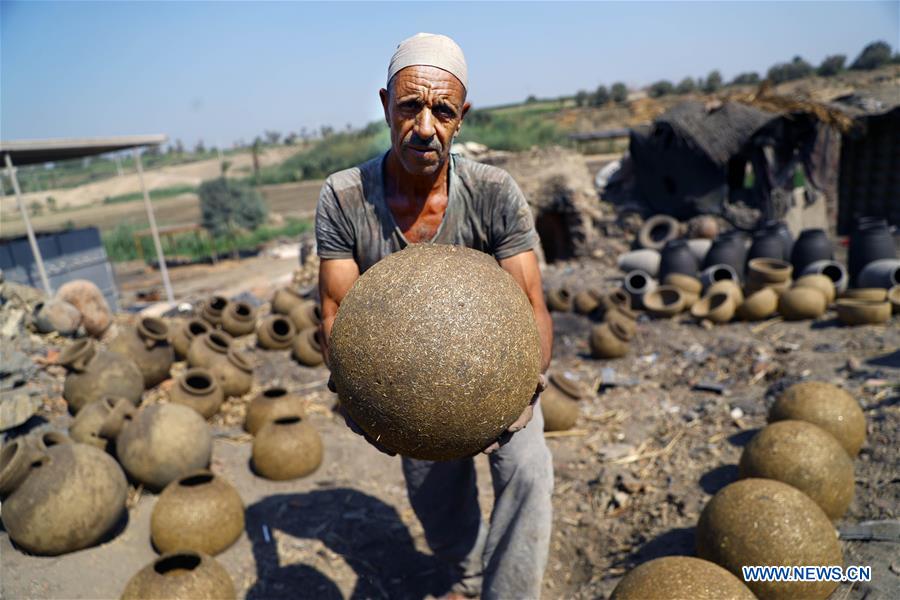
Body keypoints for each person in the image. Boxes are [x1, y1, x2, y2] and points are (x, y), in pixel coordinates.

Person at [316, 33, 553, 599]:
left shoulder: (494, 191)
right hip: (402, 391)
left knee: (529, 472)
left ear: (461, 116)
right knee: (435, 500)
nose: (425, 126)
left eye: (442, 110)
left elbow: (532, 305)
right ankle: (465, 574)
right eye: (409, 107)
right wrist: (355, 396)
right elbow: (334, 309)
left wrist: (529, 391)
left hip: (501, 377)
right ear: (384, 104)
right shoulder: (345, 196)